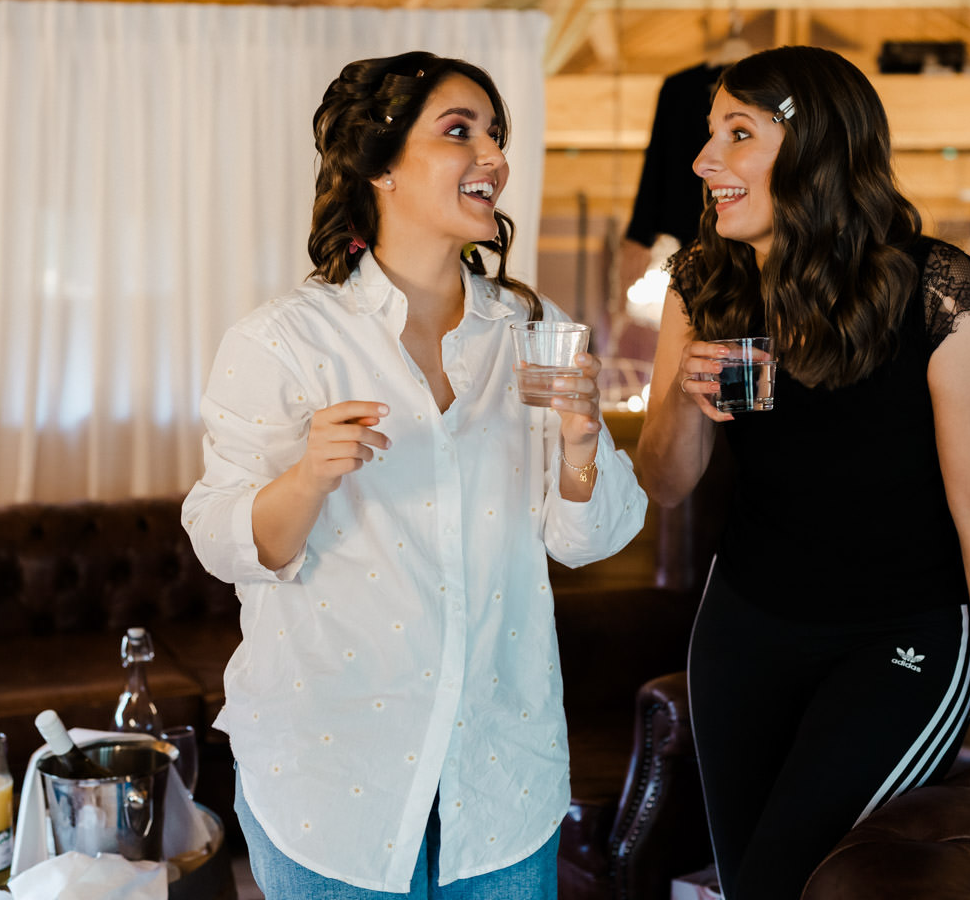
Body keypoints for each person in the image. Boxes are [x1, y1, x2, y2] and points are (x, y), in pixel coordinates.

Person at [634, 46, 970, 900]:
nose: (704, 163)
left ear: (817, 144)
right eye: (709, 136)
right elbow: (665, 482)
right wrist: (679, 392)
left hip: (904, 638)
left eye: (737, 134)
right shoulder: (701, 286)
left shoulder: (940, 294)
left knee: (789, 876)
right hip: (744, 630)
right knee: (751, 885)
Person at [182, 52, 646, 899]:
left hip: (500, 772)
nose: (494, 157)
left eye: (498, 136)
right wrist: (309, 477)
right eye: (459, 131)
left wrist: (583, 445)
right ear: (380, 165)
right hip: (329, 775)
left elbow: (590, 540)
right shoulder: (284, 340)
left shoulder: (535, 331)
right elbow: (222, 540)